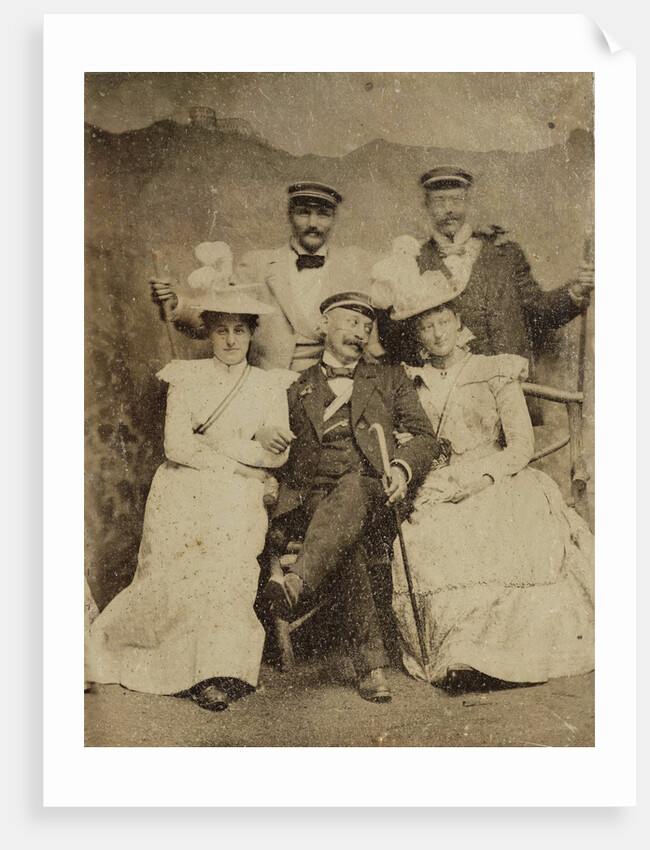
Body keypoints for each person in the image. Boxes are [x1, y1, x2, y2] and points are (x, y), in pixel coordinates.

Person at [85, 285, 294, 711]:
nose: (231, 340)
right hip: (184, 484)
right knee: (184, 567)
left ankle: (219, 667)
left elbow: (279, 452)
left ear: (252, 333)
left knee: (225, 566)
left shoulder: (269, 385)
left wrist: (216, 441)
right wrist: (241, 453)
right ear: (208, 334)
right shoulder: (185, 375)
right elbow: (176, 447)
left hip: (240, 492)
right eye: (221, 331)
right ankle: (187, 671)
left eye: (239, 330)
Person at [384, 277, 594, 692]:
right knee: (429, 539)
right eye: (427, 326)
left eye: (443, 320)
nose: (438, 332)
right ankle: (459, 654)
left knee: (509, 531)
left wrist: (481, 480)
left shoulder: (494, 369)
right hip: (440, 483)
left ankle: (509, 653)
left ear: (458, 321)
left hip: (499, 476)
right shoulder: (411, 382)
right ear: (418, 336)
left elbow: (520, 446)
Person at [261, 291, 440, 703]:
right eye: (349, 322)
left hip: (371, 492)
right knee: (348, 540)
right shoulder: (294, 387)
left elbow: (425, 437)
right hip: (309, 502)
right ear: (324, 325)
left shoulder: (390, 378)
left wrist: (401, 467)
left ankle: (296, 582)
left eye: (366, 326)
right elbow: (267, 440)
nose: (359, 333)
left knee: (355, 491)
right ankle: (372, 667)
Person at [372, 167, 594, 423]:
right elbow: (401, 341)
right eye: (439, 201)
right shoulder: (413, 262)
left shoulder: (505, 254)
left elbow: (539, 312)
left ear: (468, 202)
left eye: (456, 200)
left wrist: (575, 290)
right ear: (426, 206)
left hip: (513, 391)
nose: (449, 210)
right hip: (452, 400)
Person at [150, 182, 376, 371]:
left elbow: (372, 342)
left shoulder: (353, 270)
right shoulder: (257, 265)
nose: (313, 224)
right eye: (303, 213)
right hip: (269, 387)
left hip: (333, 393)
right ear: (289, 215)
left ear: (334, 219)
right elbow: (211, 322)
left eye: (323, 215)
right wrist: (176, 303)